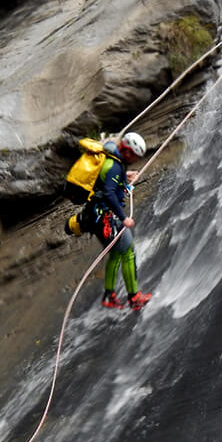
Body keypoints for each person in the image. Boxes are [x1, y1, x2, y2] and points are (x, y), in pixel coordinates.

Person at [65, 132, 153, 310]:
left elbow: (107, 182)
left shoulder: (112, 161)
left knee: (115, 254)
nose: (135, 159)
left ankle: (109, 296)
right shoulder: (113, 165)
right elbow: (109, 193)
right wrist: (124, 218)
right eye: (135, 155)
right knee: (128, 252)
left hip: (97, 216)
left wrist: (125, 178)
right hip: (106, 218)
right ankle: (134, 297)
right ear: (127, 151)